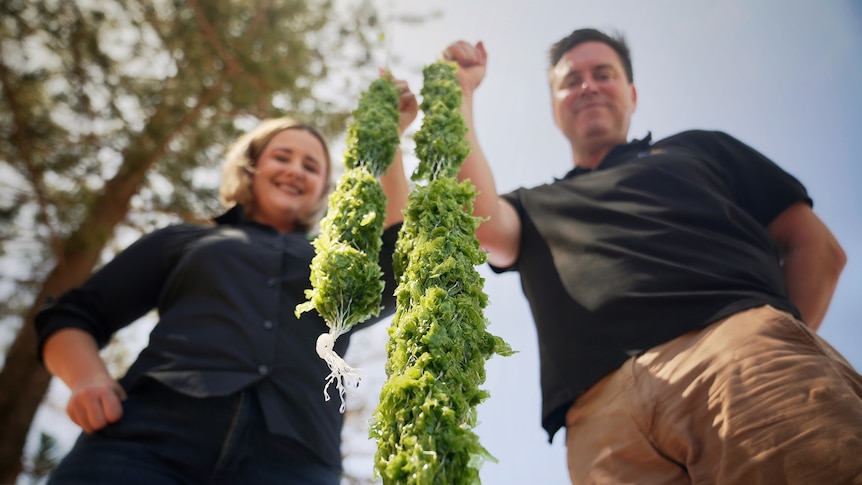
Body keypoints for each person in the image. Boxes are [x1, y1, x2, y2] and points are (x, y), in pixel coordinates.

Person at [444, 28, 862, 484]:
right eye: (571, 80)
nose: (587, 86)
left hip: (738, 356)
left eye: (603, 74)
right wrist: (460, 90)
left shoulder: (698, 149)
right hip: (601, 429)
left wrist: (770, 338)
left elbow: (818, 249)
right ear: (555, 106)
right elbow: (481, 220)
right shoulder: (533, 204)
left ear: (632, 92)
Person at [34, 79, 418, 484]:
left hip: (295, 459)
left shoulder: (338, 264)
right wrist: (89, 378)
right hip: (144, 441)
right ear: (250, 167)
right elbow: (74, 315)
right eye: (282, 157)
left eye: (310, 166)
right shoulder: (185, 239)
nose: (294, 170)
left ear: (323, 188)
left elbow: (398, 258)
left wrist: (388, 136)